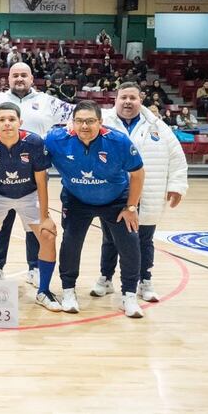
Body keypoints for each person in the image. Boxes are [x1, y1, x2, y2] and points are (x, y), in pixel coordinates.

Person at [45, 100, 145, 318]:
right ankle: (69, 291)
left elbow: (137, 172)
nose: (84, 126)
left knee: (129, 243)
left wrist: (131, 206)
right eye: (79, 121)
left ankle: (129, 295)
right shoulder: (56, 139)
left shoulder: (118, 141)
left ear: (100, 122)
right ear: (72, 123)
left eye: (90, 121)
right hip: (76, 199)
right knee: (71, 242)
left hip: (116, 199)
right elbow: (30, 144)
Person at [94, 83, 188, 302]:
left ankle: (144, 281)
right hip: (112, 193)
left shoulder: (158, 126)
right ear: (115, 99)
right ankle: (105, 278)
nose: (128, 102)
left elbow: (177, 157)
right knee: (110, 239)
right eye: (123, 97)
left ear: (141, 100)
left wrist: (177, 186)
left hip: (149, 192)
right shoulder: (102, 122)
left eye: (132, 98)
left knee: (144, 240)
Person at [0, 62, 73, 284]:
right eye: (15, 75)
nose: (20, 79)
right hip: (0, 173)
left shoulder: (48, 102)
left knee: (34, 226)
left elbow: (75, 116)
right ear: (8, 78)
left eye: (24, 75)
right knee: (0, 225)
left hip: (34, 173)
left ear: (32, 79)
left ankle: (34, 267)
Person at [0, 102, 61, 311]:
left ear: (20, 122)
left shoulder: (34, 142)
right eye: (2, 120)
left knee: (48, 234)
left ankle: (44, 291)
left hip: (29, 194)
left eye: (11, 119)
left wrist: (45, 215)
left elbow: (41, 180)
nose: (7, 124)